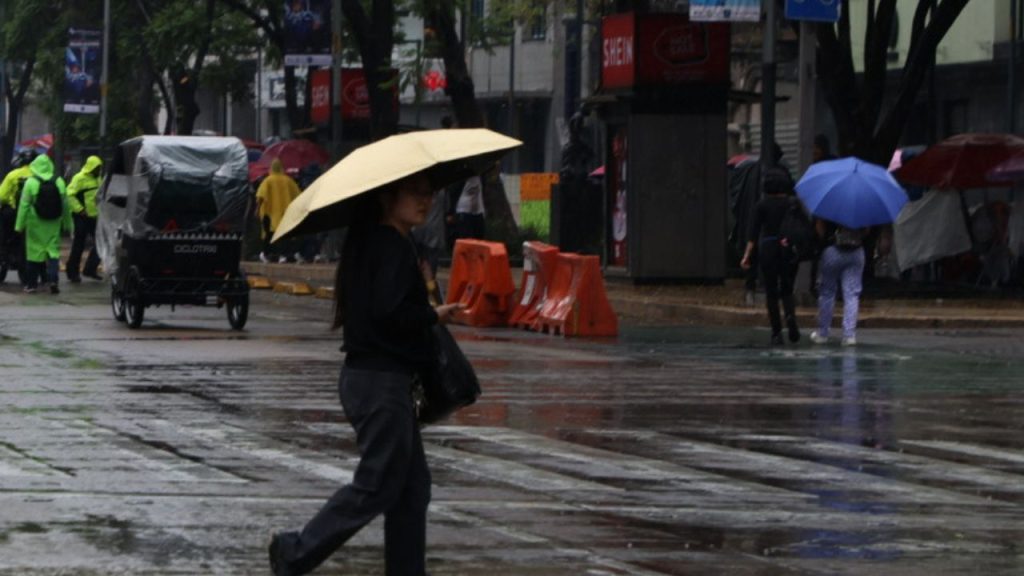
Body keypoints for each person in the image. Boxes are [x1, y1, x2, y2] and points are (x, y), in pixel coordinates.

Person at [269, 173, 464, 576]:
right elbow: (389, 314)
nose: (425, 200)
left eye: (429, 192)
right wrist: (432, 314)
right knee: (378, 484)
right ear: (387, 197)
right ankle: (295, 552)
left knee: (412, 490)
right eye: (415, 192)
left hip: (375, 379)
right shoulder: (390, 246)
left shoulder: (378, 242)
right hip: (380, 383)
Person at [741, 167, 801, 346]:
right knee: (787, 288)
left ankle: (776, 332)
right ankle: (790, 316)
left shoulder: (762, 205)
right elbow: (801, 227)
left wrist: (746, 256)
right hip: (787, 247)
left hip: (768, 247)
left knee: (771, 291)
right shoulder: (793, 204)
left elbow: (753, 234)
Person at [15, 154, 72, 294]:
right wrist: (68, 224)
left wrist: (19, 226)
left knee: (33, 254)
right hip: (54, 222)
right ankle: (53, 280)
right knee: (52, 252)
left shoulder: (30, 182)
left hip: (35, 223)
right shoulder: (59, 181)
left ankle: (31, 284)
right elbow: (65, 205)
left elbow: (24, 206)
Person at [810, 220, 866, 347]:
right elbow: (866, 230)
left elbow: (820, 227)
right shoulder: (863, 206)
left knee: (827, 293)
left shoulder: (830, 205)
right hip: (856, 251)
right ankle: (849, 335)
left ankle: (823, 333)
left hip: (832, 250)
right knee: (852, 294)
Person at [0, 150, 38, 286]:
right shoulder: (39, 175)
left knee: (4, 239)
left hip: (13, 215)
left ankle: (3, 259)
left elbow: (2, 196)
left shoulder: (13, 175)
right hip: (34, 217)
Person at [65, 155, 103, 282]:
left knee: (100, 243)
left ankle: (90, 269)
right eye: (97, 168)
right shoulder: (79, 178)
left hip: (94, 216)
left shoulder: (98, 179)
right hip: (81, 216)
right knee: (78, 245)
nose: (99, 170)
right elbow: (69, 194)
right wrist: (80, 209)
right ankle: (72, 272)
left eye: (100, 168)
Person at [256, 159, 302, 263]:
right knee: (284, 234)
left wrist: (257, 209)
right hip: (285, 212)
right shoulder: (289, 180)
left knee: (269, 235)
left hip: (269, 213)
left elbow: (261, 196)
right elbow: (298, 195)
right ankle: (282, 255)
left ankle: (265, 254)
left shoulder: (267, 180)